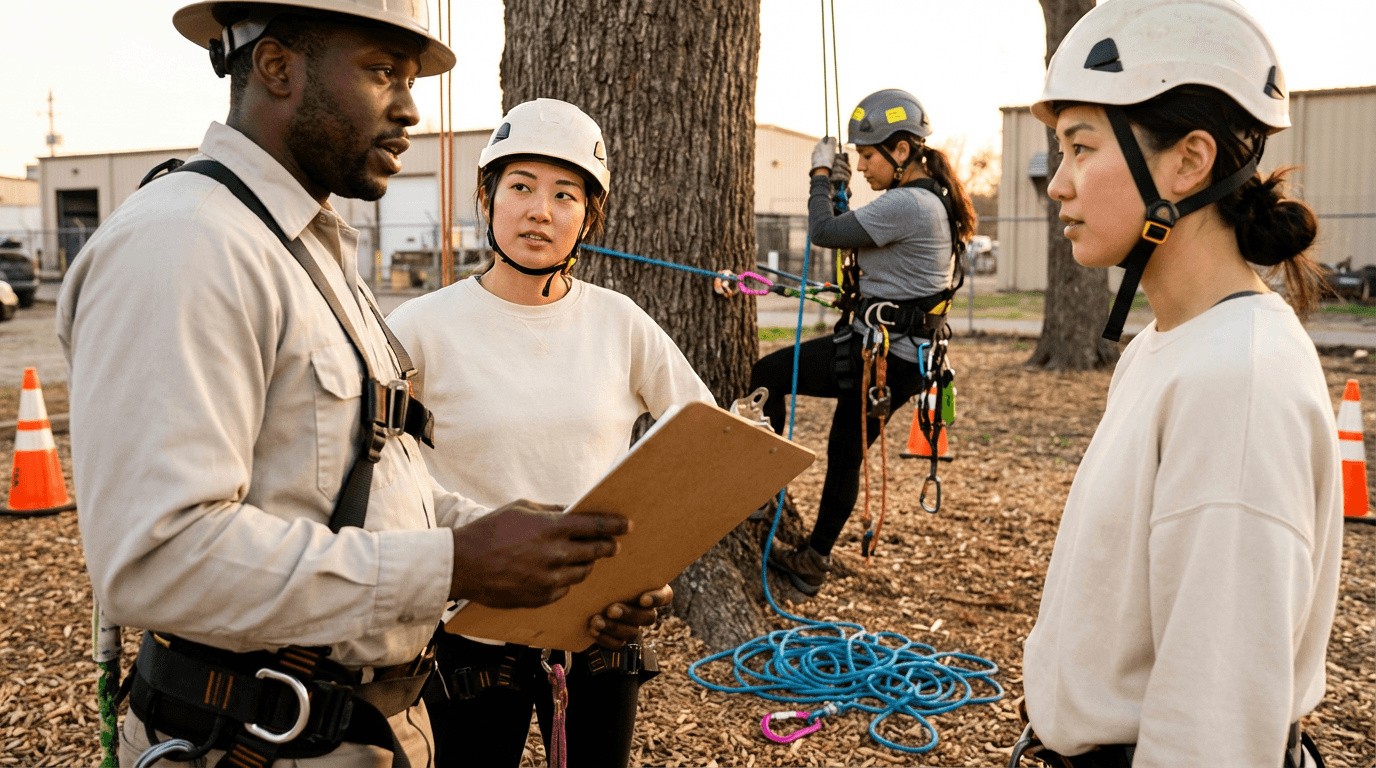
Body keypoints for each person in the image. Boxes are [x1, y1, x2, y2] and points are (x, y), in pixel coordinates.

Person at [57, 5, 654, 766]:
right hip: (253, 739)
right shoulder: (186, 244)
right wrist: (456, 563)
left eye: (411, 80)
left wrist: (547, 554)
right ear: (277, 67)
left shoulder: (300, 251)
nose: (410, 109)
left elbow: (364, 479)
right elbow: (157, 558)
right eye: (382, 72)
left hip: (354, 729)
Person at [1011, 1, 1342, 766]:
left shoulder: (1238, 382)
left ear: (1188, 163)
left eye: (1081, 146)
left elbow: (1213, 729)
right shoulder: (1169, 346)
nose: (1057, 184)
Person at [386, 98, 715, 768]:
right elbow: (382, 473)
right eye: (521, 187)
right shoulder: (420, 328)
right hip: (472, 620)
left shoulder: (619, 323)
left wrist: (649, 565)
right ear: (487, 198)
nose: (540, 211)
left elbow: (706, 445)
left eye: (565, 194)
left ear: (587, 217)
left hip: (599, 619)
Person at [754, 89, 976, 595]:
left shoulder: (908, 203)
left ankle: (760, 495)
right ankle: (812, 559)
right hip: (899, 356)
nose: (861, 166)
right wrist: (839, 187)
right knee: (844, 453)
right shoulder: (928, 199)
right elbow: (851, 232)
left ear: (901, 151)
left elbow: (824, 232)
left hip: (881, 356)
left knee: (768, 376)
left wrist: (818, 175)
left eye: (868, 155)